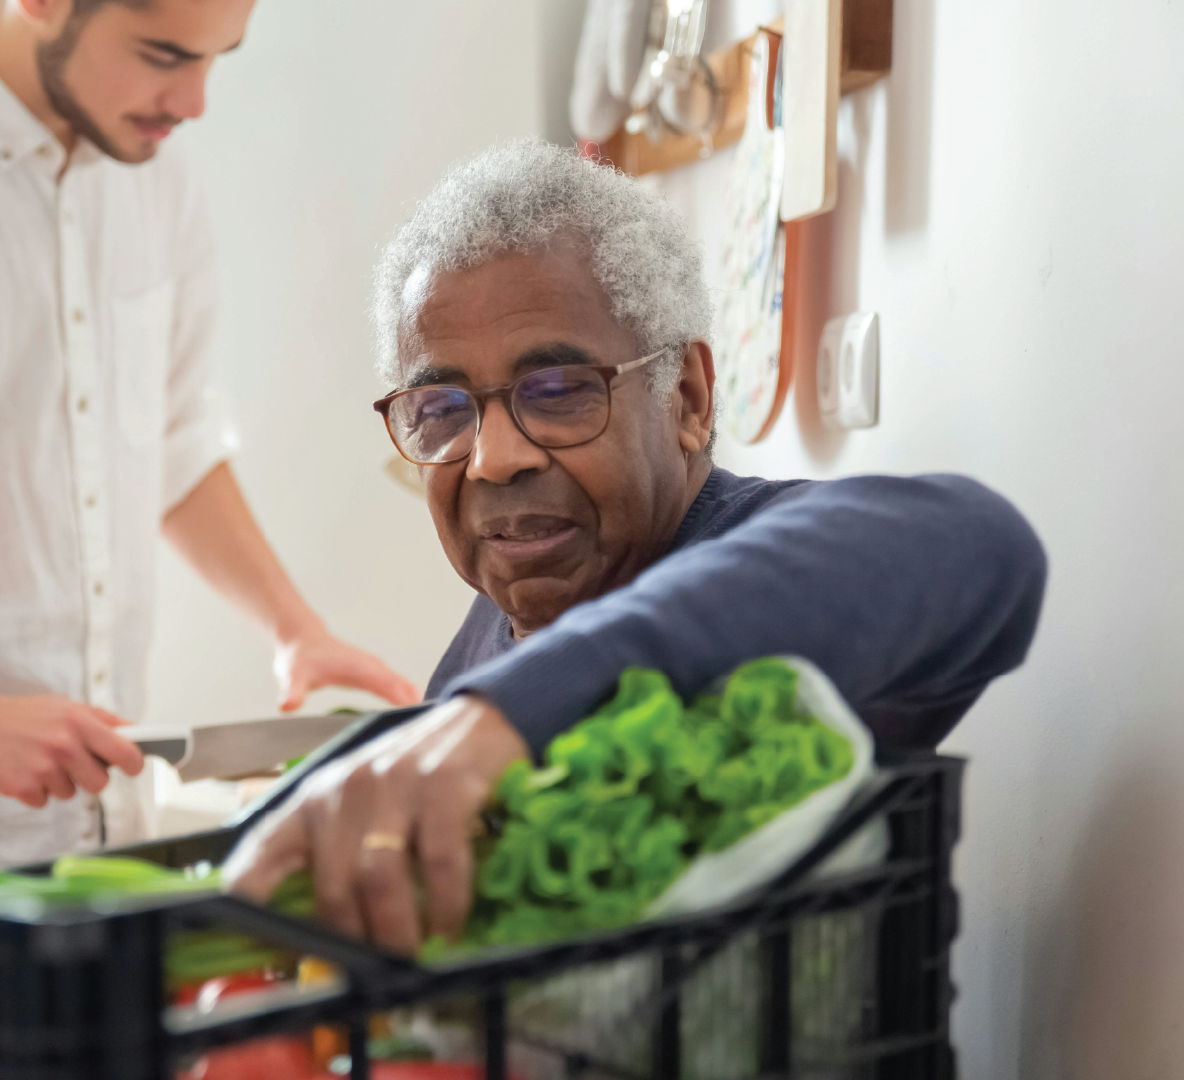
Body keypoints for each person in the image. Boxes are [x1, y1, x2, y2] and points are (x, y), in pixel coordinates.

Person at [225, 139, 1048, 955]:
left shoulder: (779, 571)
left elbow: (981, 544)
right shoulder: (485, 641)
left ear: (686, 397)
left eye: (558, 392)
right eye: (442, 410)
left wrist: (519, 710)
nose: (494, 457)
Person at [0, 0, 419, 867]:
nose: (194, 101)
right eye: (162, 53)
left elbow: (172, 439)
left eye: (218, 59)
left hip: (106, 836)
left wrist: (295, 630)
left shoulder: (148, 164)